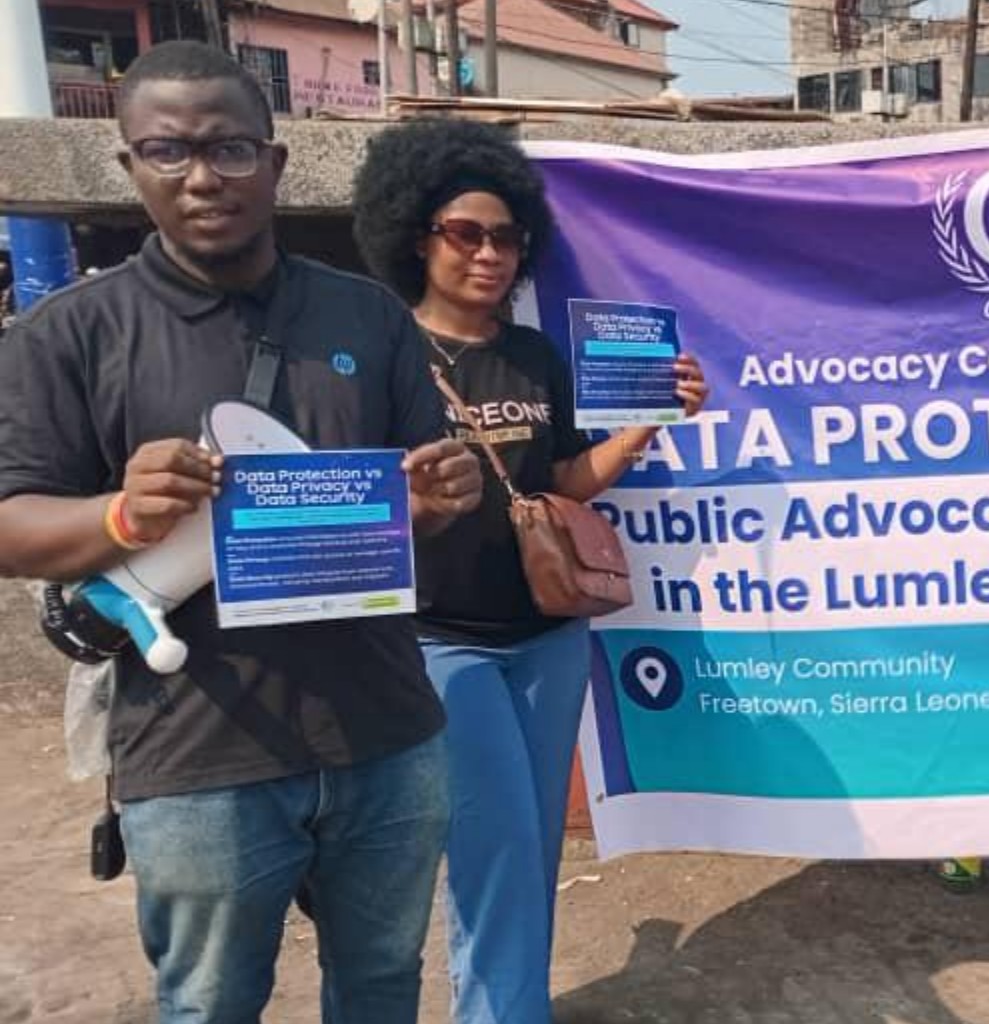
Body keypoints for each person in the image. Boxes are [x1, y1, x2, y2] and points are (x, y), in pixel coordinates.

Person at [0, 42, 481, 1022]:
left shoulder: (369, 316)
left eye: (229, 148)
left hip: (387, 734)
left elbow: (412, 500)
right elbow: (13, 527)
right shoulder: (71, 332)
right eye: (167, 151)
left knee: (383, 984)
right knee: (211, 1003)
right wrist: (119, 514)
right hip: (196, 752)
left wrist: (437, 501)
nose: (202, 176)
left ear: (275, 161)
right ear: (128, 164)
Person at [351, 119, 708, 1024]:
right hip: (441, 641)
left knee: (535, 837)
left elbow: (561, 483)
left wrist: (647, 424)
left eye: (506, 237)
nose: (489, 254)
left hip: (550, 633)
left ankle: (510, 1003)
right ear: (416, 236)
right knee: (496, 839)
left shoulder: (535, 355)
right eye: (465, 233)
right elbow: (359, 509)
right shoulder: (384, 359)